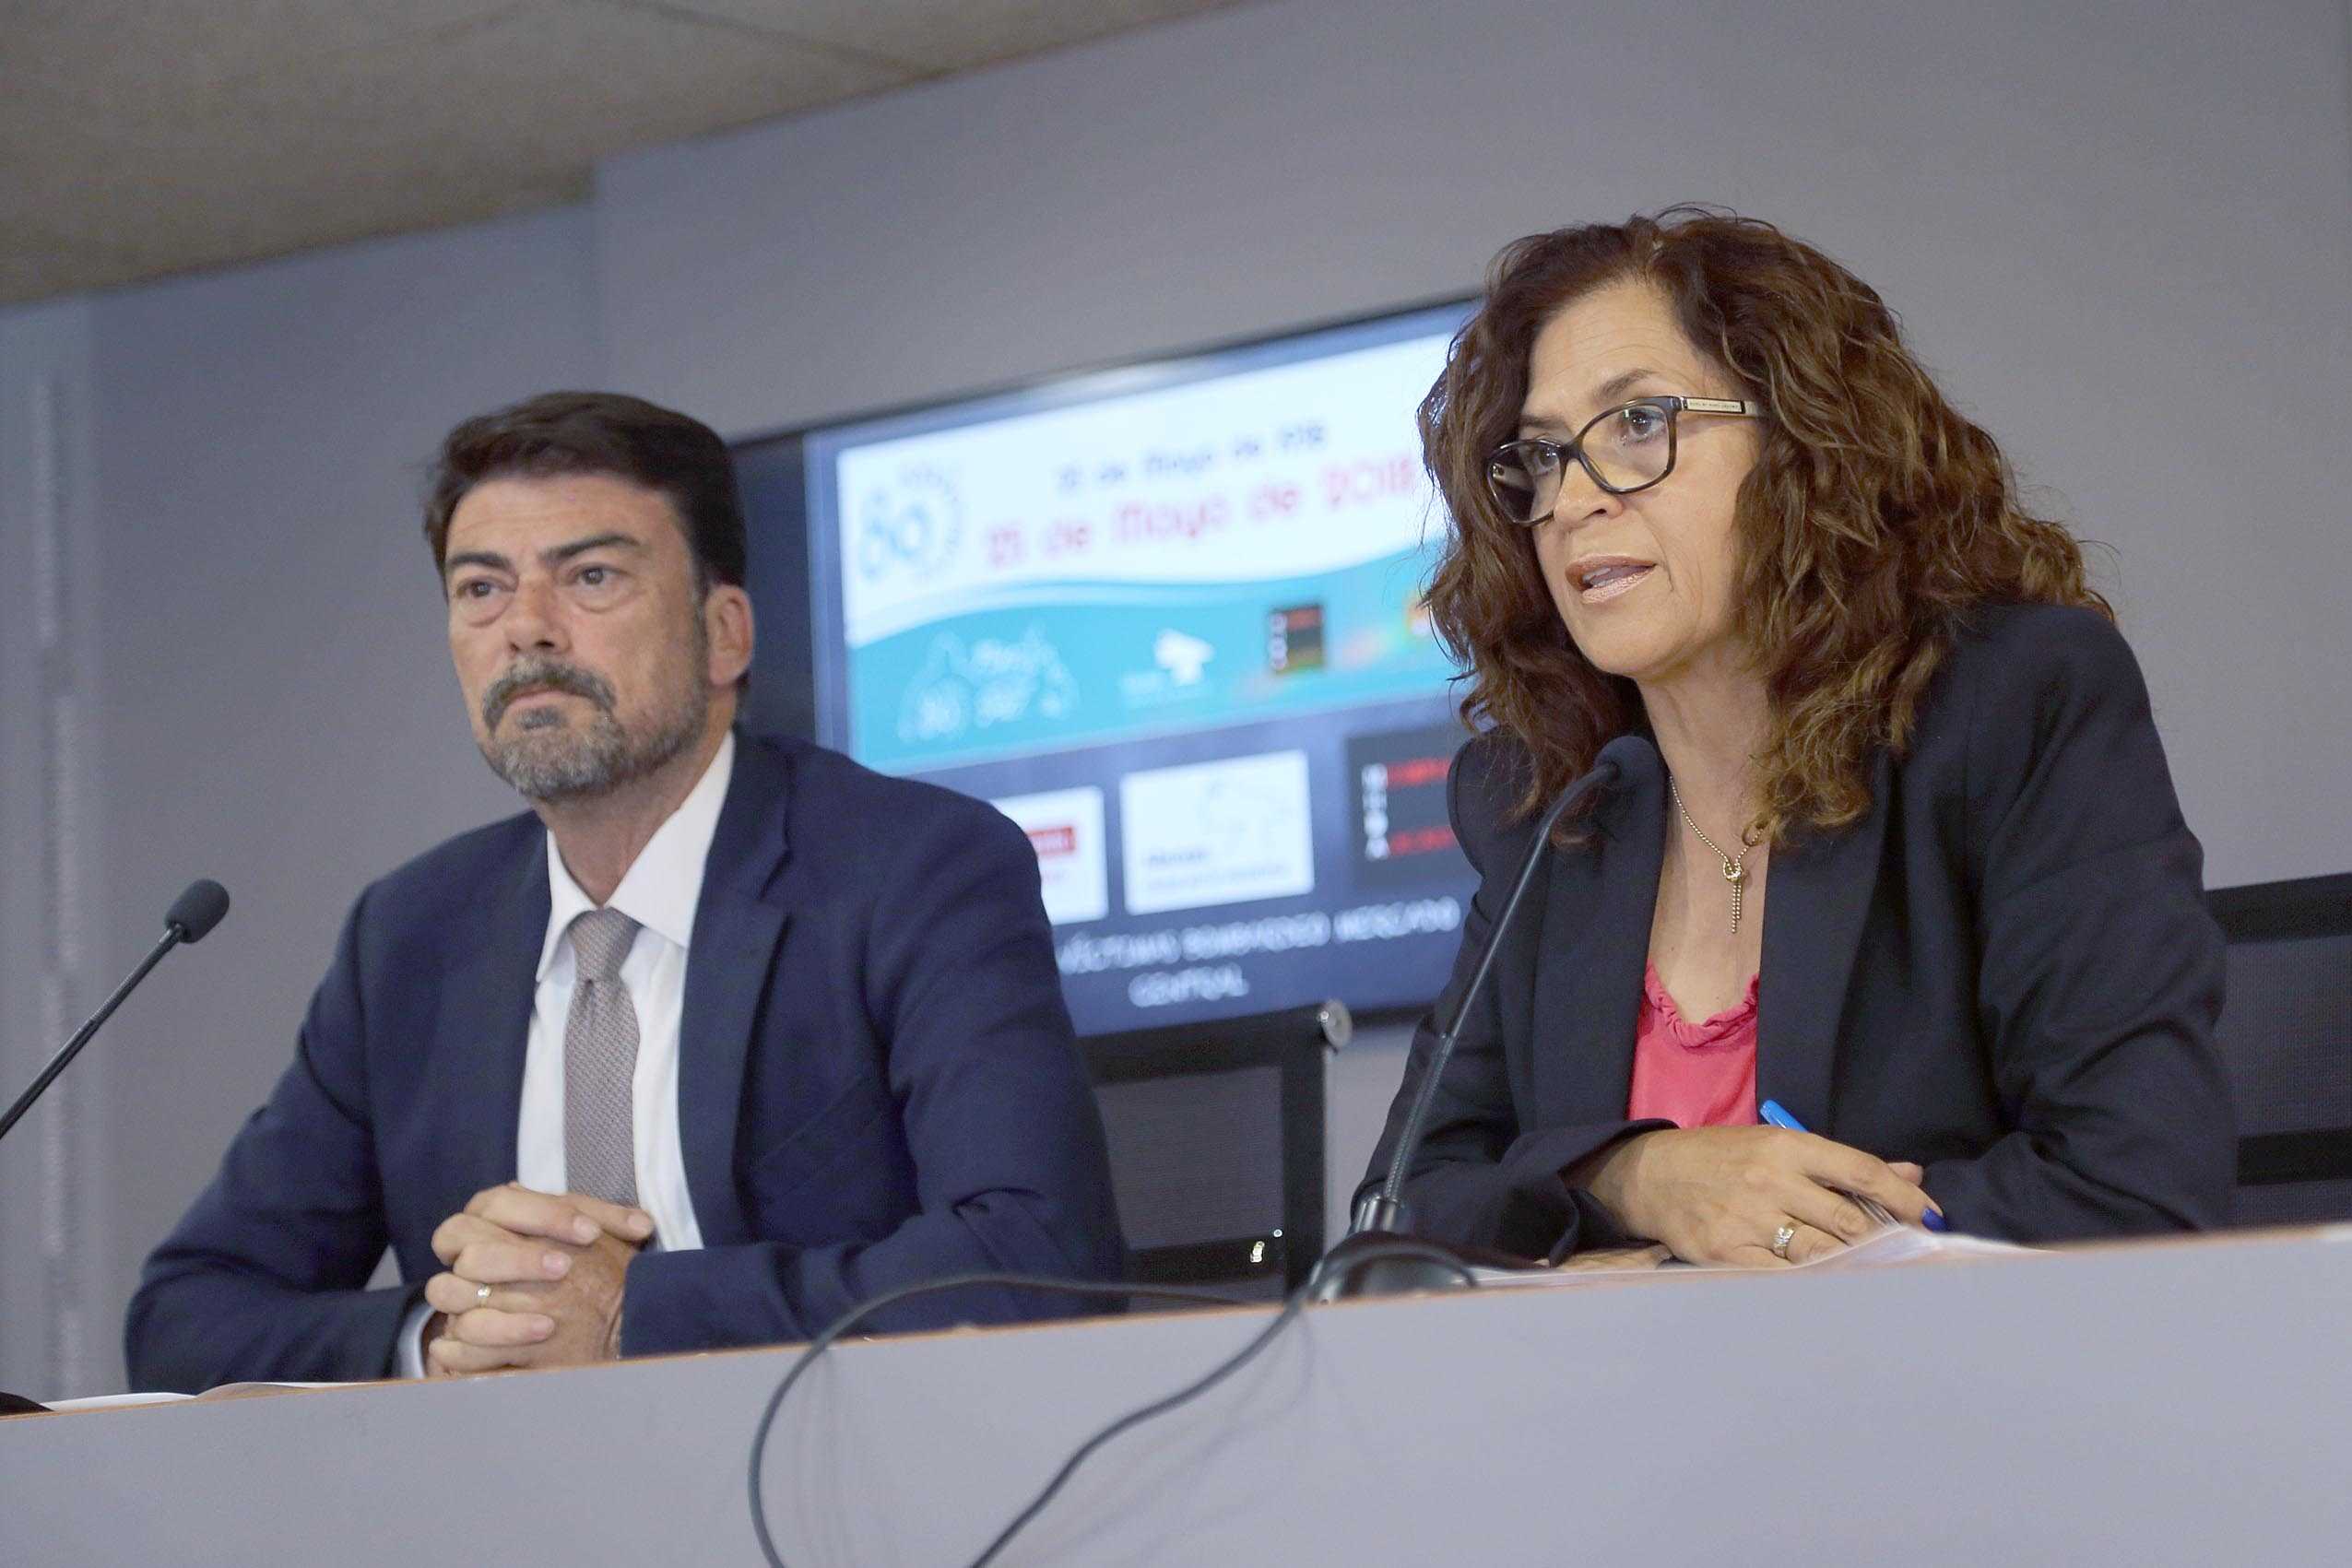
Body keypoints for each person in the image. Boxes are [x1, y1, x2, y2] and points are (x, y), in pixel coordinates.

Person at [127, 392, 1123, 1390]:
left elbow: (1035, 1262)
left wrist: (626, 1313)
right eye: (481, 589)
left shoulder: (913, 868)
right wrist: (445, 1341)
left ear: (724, 633)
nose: (527, 631)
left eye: (591, 577)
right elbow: (186, 1317)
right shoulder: (411, 937)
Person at [1358, 208, 2232, 1267]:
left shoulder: (2012, 706)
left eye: (1637, 424)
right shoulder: (1554, 799)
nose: (1573, 501)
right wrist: (1638, 1175)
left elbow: (2132, 1183)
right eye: (1541, 458)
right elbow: (1401, 1213)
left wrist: (1718, 1253)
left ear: (1803, 444)